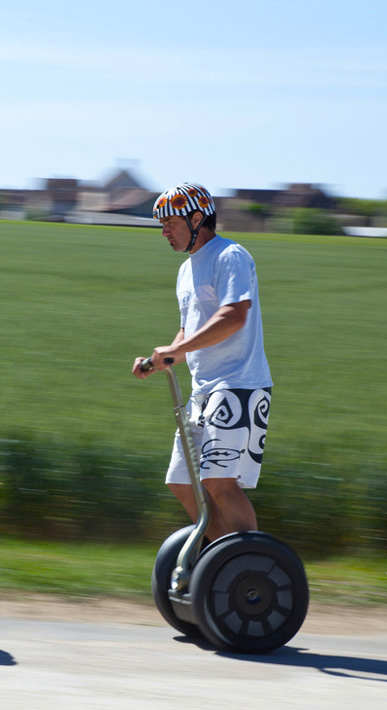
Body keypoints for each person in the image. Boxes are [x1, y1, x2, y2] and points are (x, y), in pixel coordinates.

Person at [132, 182, 272, 541]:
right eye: (161, 225)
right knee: (181, 481)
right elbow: (188, 331)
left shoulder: (230, 255)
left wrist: (177, 352)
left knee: (217, 480)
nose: (164, 232)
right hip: (204, 390)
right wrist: (159, 358)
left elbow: (234, 316)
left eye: (171, 224)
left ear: (197, 218)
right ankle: (221, 560)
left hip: (238, 385)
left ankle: (248, 565)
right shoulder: (186, 270)